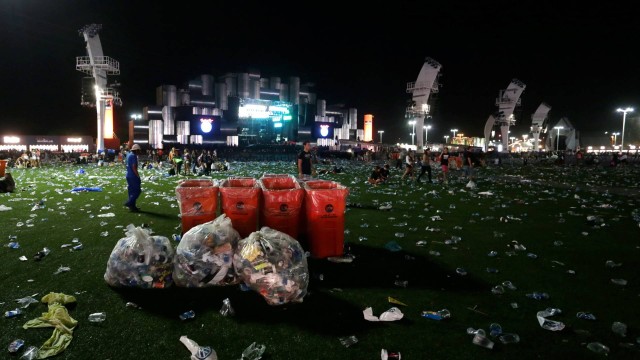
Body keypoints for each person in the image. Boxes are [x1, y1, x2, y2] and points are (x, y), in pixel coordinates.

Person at [123, 144, 142, 212]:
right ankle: (129, 202)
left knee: (131, 191)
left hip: (128, 175)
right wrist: (138, 176)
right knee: (137, 190)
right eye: (139, 150)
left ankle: (132, 207)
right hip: (133, 176)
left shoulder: (128, 155)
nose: (139, 152)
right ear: (136, 150)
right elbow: (134, 167)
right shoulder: (133, 156)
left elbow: (126, 164)